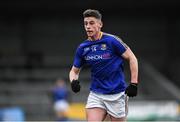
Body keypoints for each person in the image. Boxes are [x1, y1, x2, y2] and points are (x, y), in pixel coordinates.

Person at [69, 9, 138, 122]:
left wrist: (134, 83)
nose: (88, 26)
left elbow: (132, 58)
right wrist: (73, 81)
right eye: (86, 23)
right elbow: (74, 71)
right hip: (96, 94)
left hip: (116, 94)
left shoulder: (112, 41)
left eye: (91, 23)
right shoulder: (83, 47)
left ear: (100, 24)